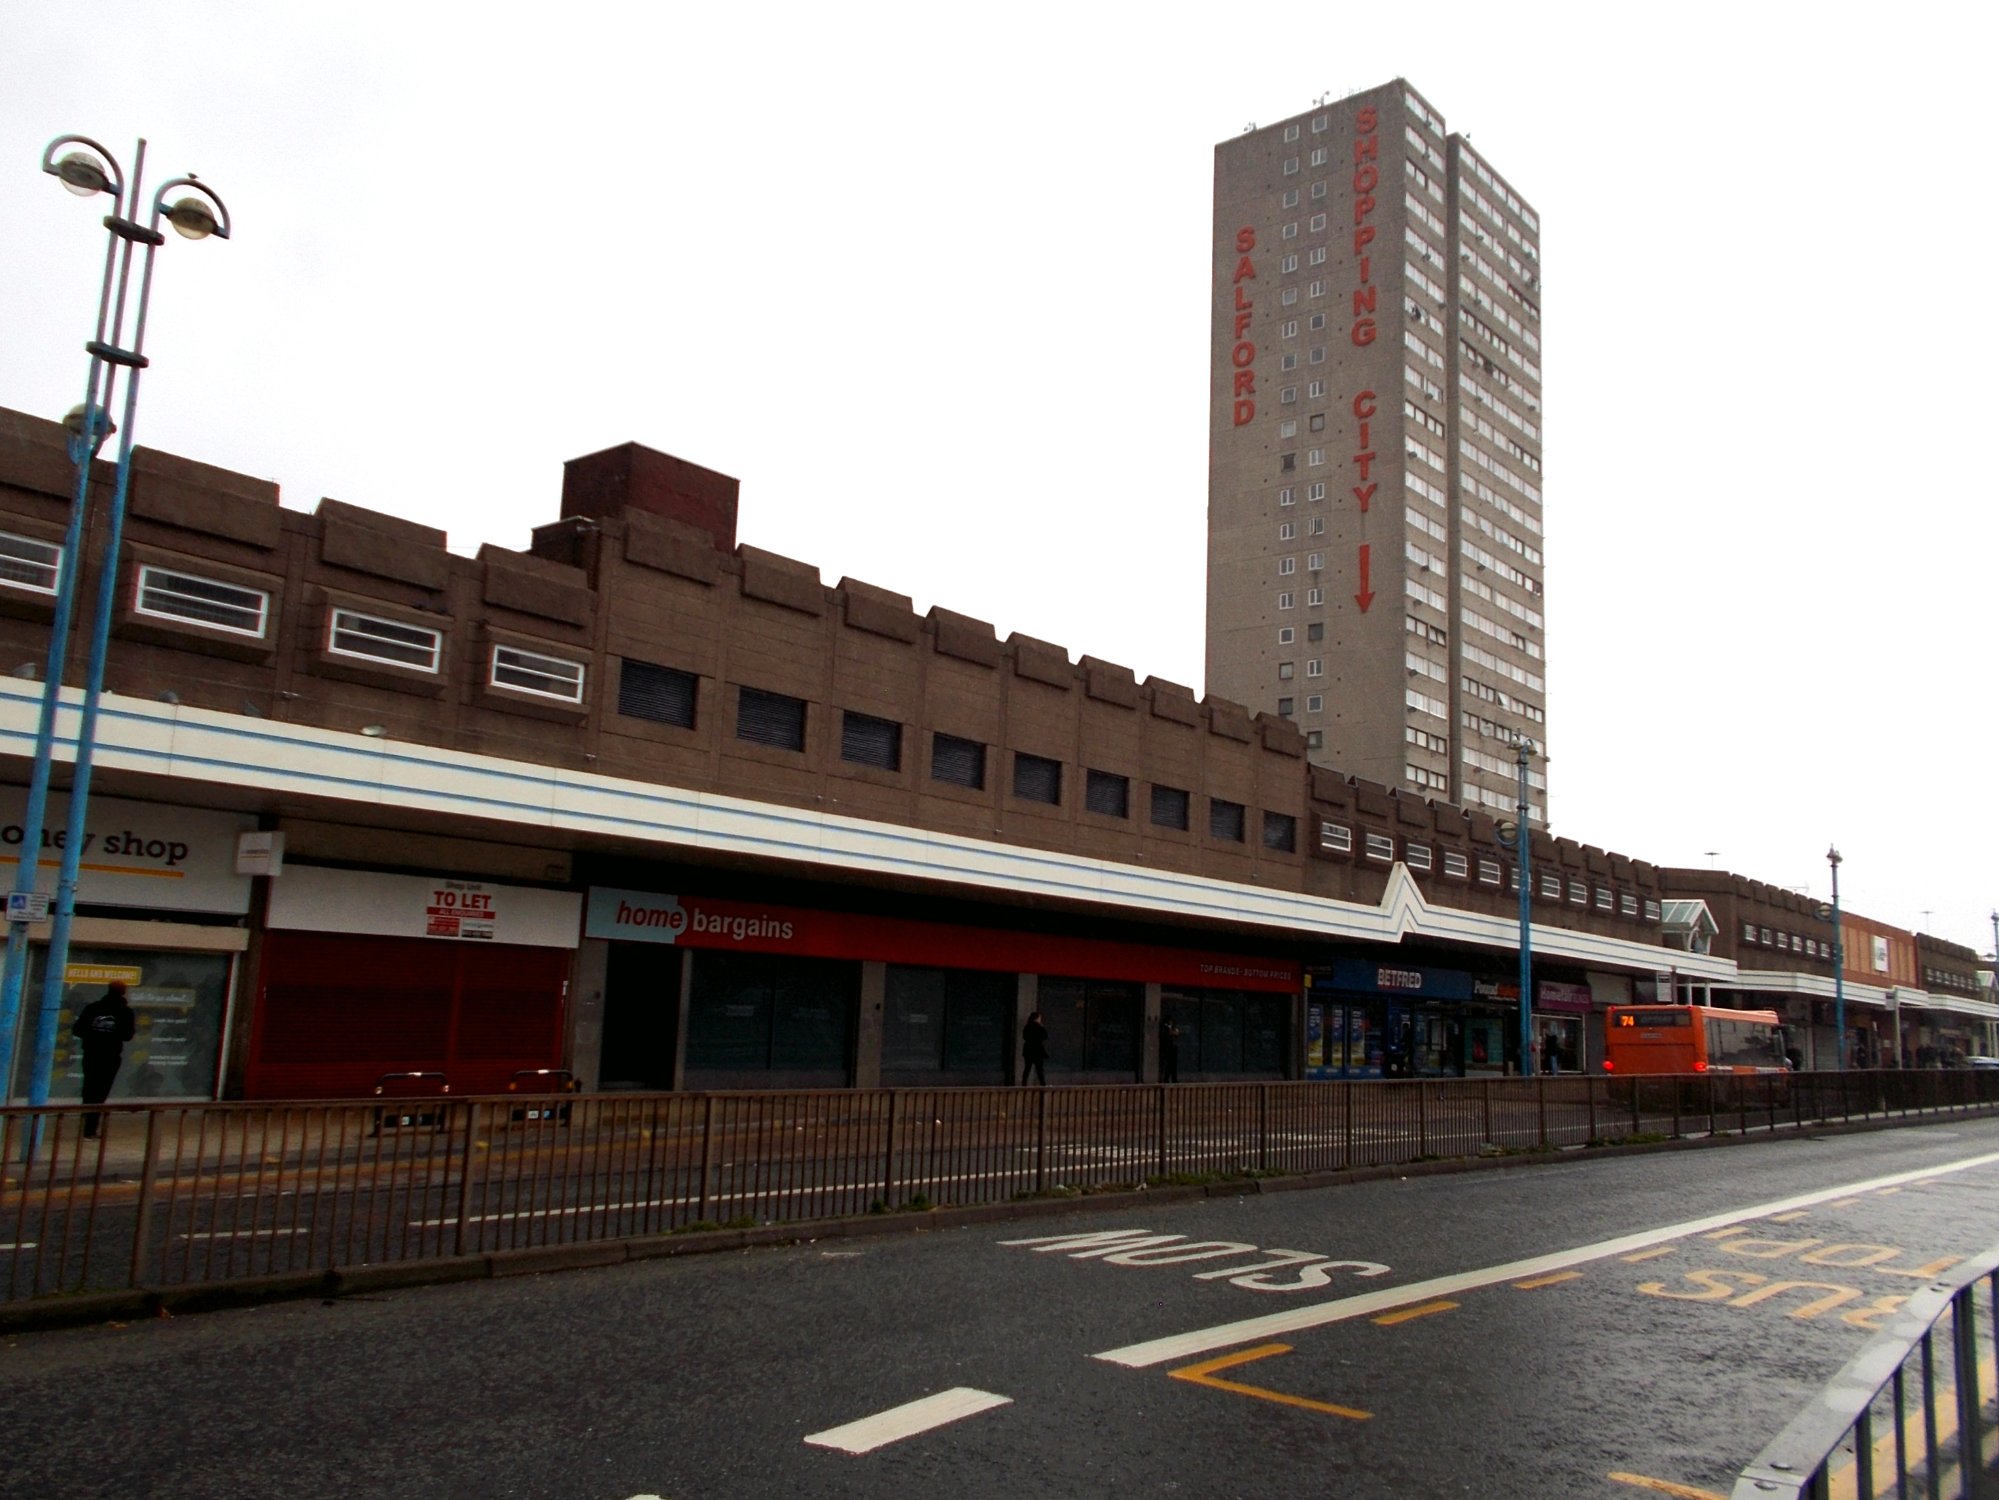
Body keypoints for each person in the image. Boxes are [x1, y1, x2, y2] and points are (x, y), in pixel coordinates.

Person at [70, 980, 137, 1138]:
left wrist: (94, 1035)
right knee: (101, 1092)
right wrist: (111, 1034)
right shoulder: (125, 1012)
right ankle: (90, 1128)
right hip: (110, 1055)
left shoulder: (93, 1008)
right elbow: (127, 1035)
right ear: (123, 992)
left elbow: (78, 1029)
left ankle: (88, 1124)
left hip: (91, 1053)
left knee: (89, 1089)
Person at [1019, 1010, 1048, 1086]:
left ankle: (1024, 1084)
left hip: (1028, 1050)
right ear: (1037, 1018)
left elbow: (1024, 1037)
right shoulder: (1039, 1027)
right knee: (1039, 1069)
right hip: (1037, 1050)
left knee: (1027, 1068)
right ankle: (1042, 1084)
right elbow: (1045, 1036)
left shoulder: (1027, 1026)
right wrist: (1042, 1027)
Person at [1159, 1019, 1181, 1084]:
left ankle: (1174, 1078)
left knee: (1174, 1065)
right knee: (1169, 1064)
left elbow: (1177, 1032)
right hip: (1168, 1048)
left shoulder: (1174, 1027)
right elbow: (1170, 1033)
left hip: (1174, 1048)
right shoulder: (1165, 1027)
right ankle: (1166, 1079)